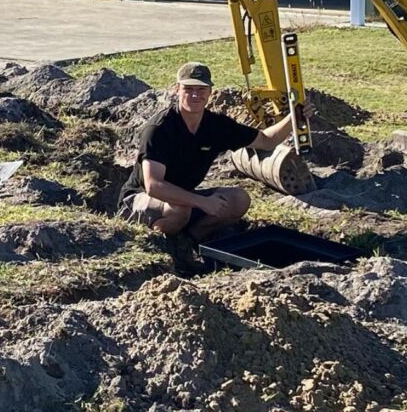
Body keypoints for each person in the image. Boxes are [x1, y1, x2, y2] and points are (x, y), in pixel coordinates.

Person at [118, 61, 310, 265]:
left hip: (182, 200)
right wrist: (202, 202)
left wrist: (294, 117)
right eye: (188, 89)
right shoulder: (160, 128)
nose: (194, 95)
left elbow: (266, 140)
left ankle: (189, 240)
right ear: (177, 90)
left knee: (238, 199)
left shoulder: (215, 125)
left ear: (210, 92)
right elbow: (154, 186)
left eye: (201, 89)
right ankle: (162, 250)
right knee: (179, 209)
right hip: (139, 200)